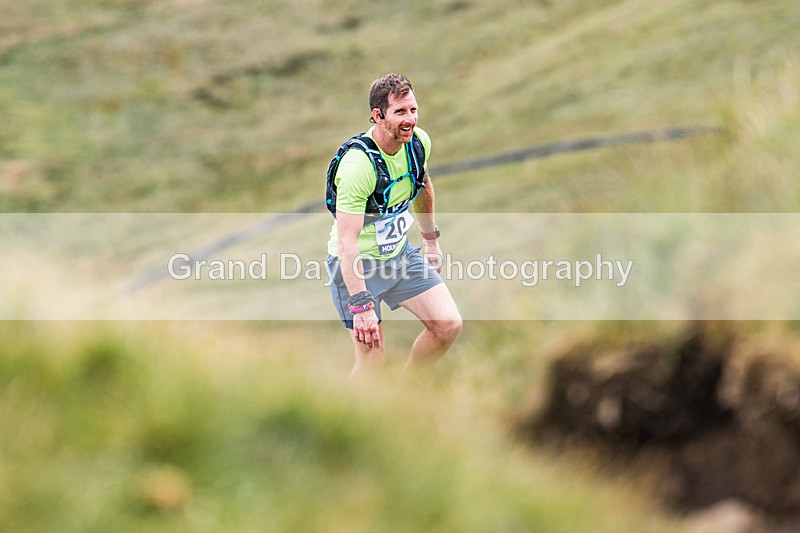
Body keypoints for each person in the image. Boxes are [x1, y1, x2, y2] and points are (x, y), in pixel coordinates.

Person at [326, 73, 462, 379]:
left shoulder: (418, 143)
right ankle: (337, 422)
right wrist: (361, 307)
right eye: (400, 112)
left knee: (448, 325)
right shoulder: (357, 166)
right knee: (372, 365)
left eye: (413, 110)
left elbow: (423, 186)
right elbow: (348, 244)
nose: (410, 120)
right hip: (357, 266)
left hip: (399, 257)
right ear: (378, 115)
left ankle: (404, 396)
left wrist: (430, 242)